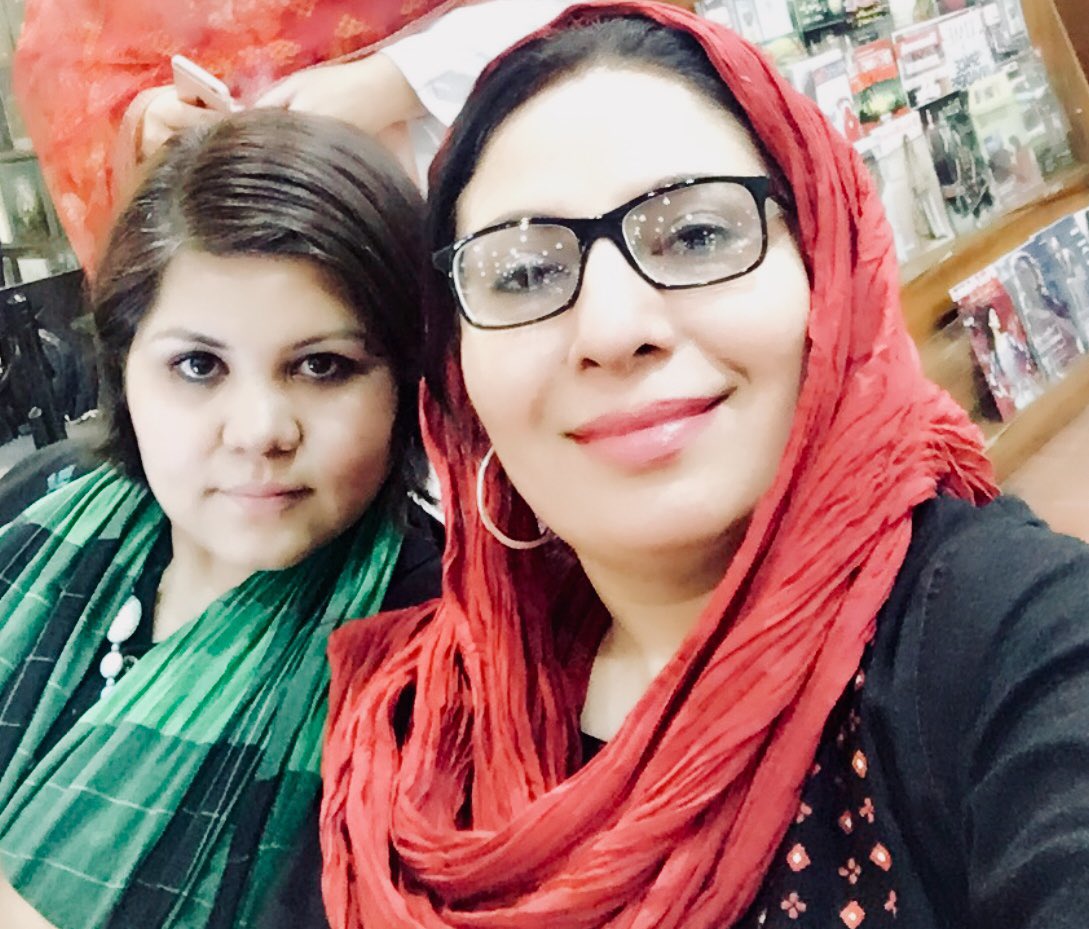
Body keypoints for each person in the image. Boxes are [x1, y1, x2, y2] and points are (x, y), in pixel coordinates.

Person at [319, 5, 1089, 929]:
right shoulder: (419, 731)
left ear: (827, 269)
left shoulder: (1010, 643)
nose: (613, 330)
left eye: (694, 235)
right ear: (457, 369)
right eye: (523, 273)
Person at [0, 109, 441, 929]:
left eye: (322, 365)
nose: (259, 430)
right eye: (198, 365)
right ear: (123, 366)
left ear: (407, 381)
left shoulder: (445, 664)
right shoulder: (40, 512)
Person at [12, 0, 575, 270]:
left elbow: (592, 14)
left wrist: (398, 78)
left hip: (471, 198)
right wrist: (147, 118)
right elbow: (69, 66)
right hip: (241, 248)